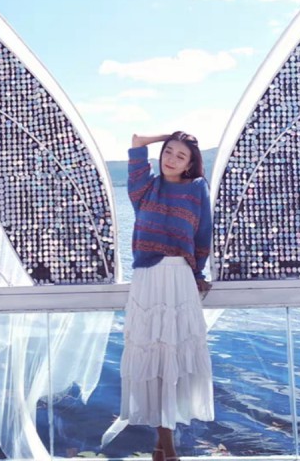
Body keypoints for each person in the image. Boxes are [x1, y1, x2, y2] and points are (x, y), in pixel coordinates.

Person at [120, 131, 215, 461]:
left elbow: (203, 235)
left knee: (174, 357)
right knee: (154, 358)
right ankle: (166, 449)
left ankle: (163, 448)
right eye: (168, 151)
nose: (171, 159)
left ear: (190, 164)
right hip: (148, 279)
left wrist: (198, 274)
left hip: (180, 279)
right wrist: (169, 135)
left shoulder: (197, 188)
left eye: (180, 156)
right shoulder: (144, 187)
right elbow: (136, 142)